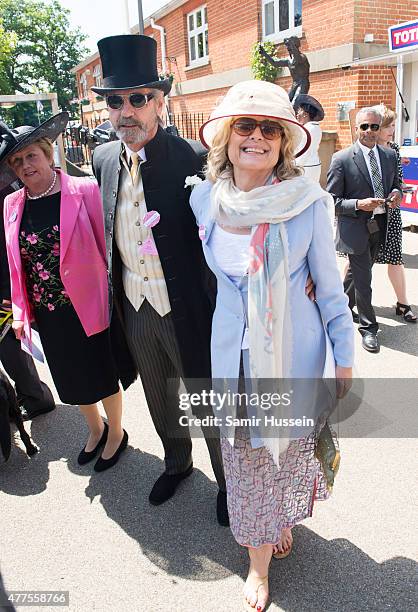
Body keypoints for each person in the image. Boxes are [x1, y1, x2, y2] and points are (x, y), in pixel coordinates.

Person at [191, 80, 354, 612]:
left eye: (270, 128)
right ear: (226, 137)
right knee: (244, 462)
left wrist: (345, 361)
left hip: (292, 360)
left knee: (282, 456)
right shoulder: (205, 201)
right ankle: (257, 559)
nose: (256, 137)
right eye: (245, 125)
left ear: (284, 142)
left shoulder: (308, 204)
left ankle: (275, 526)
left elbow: (331, 292)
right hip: (231, 358)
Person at [90, 34, 228, 524]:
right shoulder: (103, 159)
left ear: (160, 101)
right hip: (135, 304)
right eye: (115, 101)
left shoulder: (195, 157)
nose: (126, 111)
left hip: (187, 305)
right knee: (157, 389)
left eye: (139, 98)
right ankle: (177, 463)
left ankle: (229, 480)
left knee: (205, 396)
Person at [1, 113, 128, 472]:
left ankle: (116, 432)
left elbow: (107, 248)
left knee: (101, 374)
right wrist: (22, 313)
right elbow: (15, 263)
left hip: (86, 305)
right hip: (48, 312)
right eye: (17, 161)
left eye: (31, 156)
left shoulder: (84, 190)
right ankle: (95, 427)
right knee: (71, 378)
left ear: (48, 154)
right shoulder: (12, 205)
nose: (25, 165)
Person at [327, 107, 402, 353]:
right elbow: (333, 202)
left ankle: (339, 308)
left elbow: (395, 184)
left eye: (374, 126)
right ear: (357, 128)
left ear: (380, 128)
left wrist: (396, 193)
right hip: (355, 226)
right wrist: (359, 204)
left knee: (359, 273)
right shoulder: (341, 159)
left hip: (380, 224)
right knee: (364, 279)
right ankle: (369, 329)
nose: (369, 131)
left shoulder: (389, 156)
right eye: (364, 126)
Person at [0, 181, 55, 420]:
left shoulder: (3, 187)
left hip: (4, 281)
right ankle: (30, 395)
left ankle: (36, 398)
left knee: (8, 342)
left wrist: (7, 292)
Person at [373, 104, 416, 322]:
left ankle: (403, 303)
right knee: (357, 263)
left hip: (392, 214)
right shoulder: (365, 150)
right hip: (368, 214)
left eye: (393, 125)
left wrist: (398, 190)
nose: (392, 130)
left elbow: (397, 181)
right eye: (388, 126)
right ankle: (345, 300)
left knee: (395, 260)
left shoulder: (395, 149)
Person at [294, 94, 324, 182]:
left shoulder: (307, 129)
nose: (297, 115)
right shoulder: (316, 127)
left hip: (305, 167)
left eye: (299, 111)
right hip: (313, 164)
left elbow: (303, 152)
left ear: (305, 114)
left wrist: (294, 168)